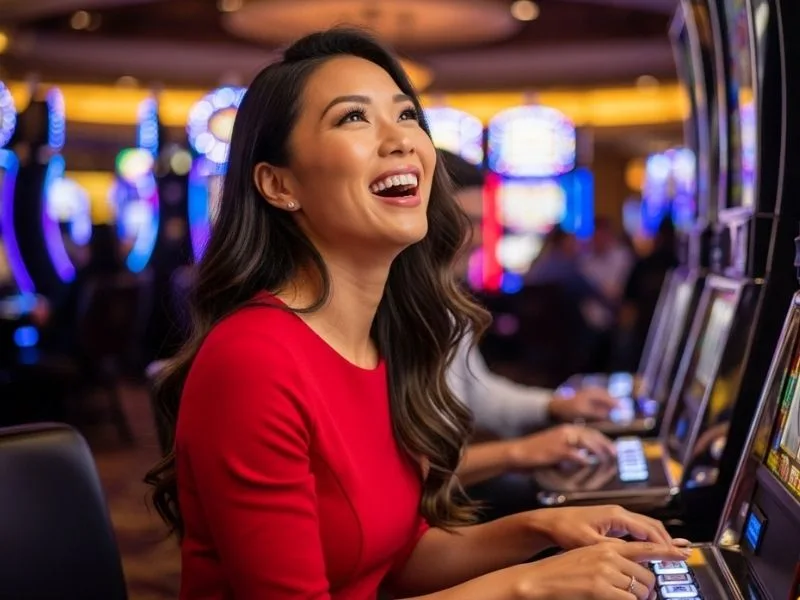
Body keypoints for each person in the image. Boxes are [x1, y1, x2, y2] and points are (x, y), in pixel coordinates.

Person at [145, 28, 691, 600]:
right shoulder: (253, 361)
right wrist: (529, 583)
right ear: (279, 184)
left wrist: (540, 528)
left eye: (407, 115)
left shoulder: (381, 341)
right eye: (353, 118)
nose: (401, 139)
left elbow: (394, 560)